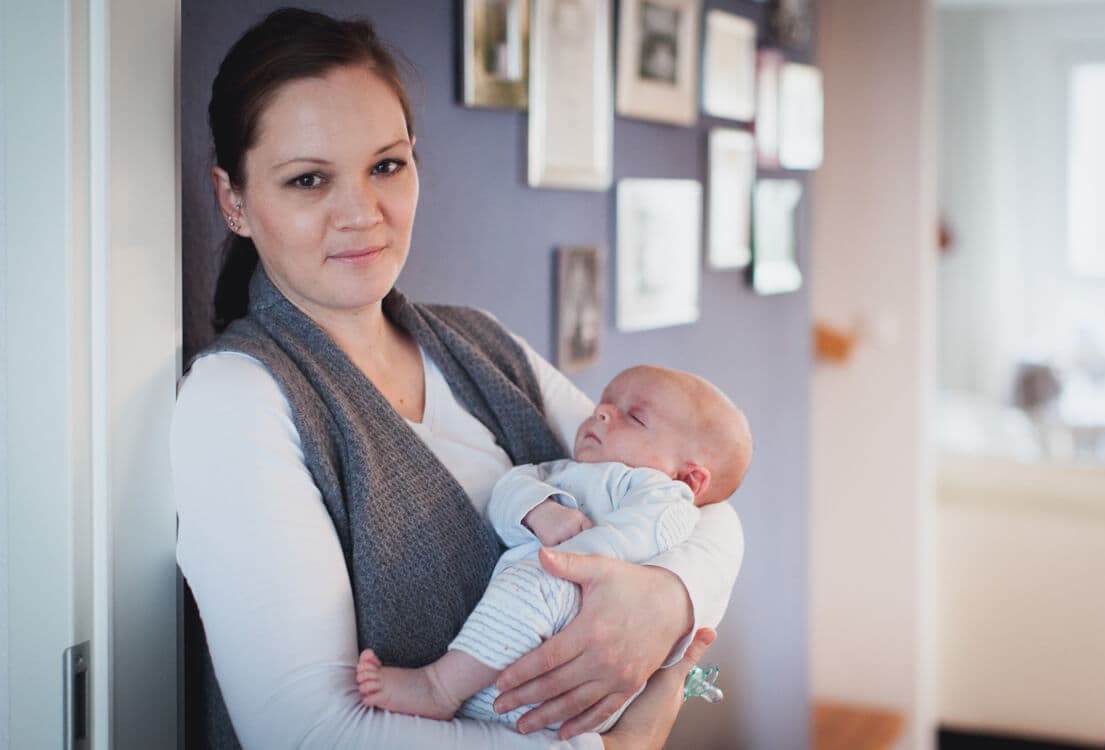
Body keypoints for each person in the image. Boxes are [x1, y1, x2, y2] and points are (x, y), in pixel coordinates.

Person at [171, 8, 743, 749]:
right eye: (309, 179)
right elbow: (309, 735)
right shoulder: (239, 399)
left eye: (386, 165)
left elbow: (701, 498)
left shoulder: (480, 343)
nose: (362, 214)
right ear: (234, 200)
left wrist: (668, 600)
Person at [355, 365, 752, 731]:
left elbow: (645, 532)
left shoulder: (661, 493)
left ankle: (438, 687)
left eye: (635, 417)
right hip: (517, 657)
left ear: (689, 477)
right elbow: (509, 490)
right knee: (531, 581)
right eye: (603, 403)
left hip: (584, 624)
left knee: (538, 580)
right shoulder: (561, 470)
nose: (601, 414)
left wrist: (578, 558)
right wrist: (536, 511)